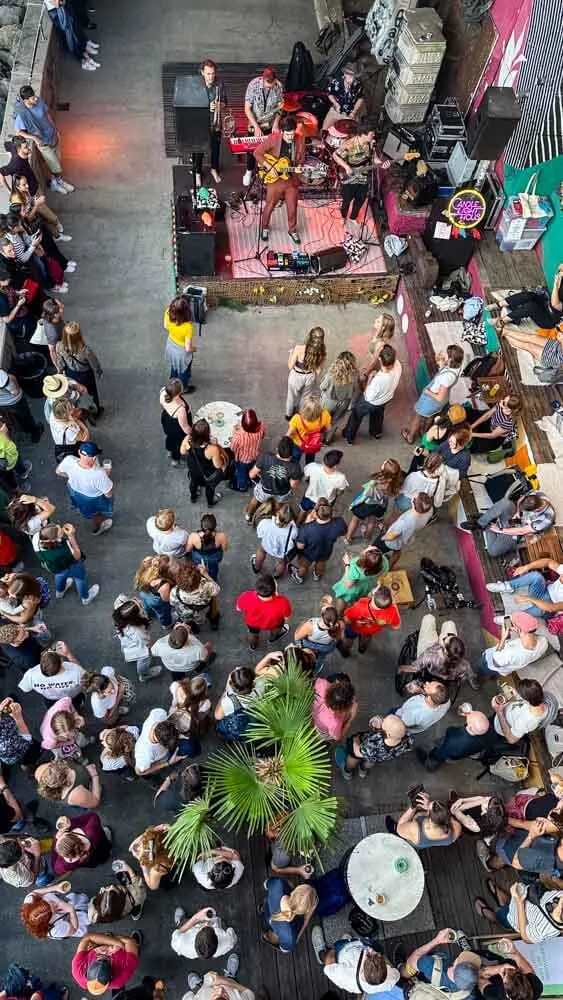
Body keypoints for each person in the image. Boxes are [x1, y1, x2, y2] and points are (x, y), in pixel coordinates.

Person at [254, 113, 305, 245]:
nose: (290, 137)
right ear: (282, 132)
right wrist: (269, 167)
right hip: (275, 179)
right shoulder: (274, 138)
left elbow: (301, 159)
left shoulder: (299, 139)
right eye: (288, 135)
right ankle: (264, 227)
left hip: (290, 180)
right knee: (270, 205)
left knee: (293, 206)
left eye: (292, 134)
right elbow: (257, 153)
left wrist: (299, 167)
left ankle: (292, 230)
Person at [13, 86, 74, 194]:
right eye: (32, 98)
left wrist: (55, 129)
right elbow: (18, 132)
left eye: (34, 96)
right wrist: (34, 138)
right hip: (43, 143)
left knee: (57, 161)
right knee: (56, 166)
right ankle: (56, 183)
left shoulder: (39, 102)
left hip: (53, 135)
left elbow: (47, 115)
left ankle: (56, 182)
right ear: (26, 100)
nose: (35, 99)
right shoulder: (22, 115)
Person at [463, 491, 554, 560]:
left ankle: (489, 523)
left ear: (537, 509)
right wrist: (518, 511)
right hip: (516, 520)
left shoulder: (546, 519)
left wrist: (500, 530)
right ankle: (481, 523)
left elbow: (521, 531)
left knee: (493, 551)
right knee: (506, 503)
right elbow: (520, 500)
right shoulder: (537, 494)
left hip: (522, 533)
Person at [402, 344, 465, 444]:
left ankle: (410, 436)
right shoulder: (458, 367)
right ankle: (424, 431)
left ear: (451, 360)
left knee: (418, 415)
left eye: (448, 356)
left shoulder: (447, 377)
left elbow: (439, 397)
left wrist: (427, 392)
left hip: (432, 399)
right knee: (430, 415)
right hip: (442, 401)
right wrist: (442, 365)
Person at [312, 928, 401, 997]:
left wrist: (334, 951)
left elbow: (328, 966)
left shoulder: (345, 974)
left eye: (370, 956)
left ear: (362, 972)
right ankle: (349, 943)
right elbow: (395, 971)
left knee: (330, 955)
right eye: (378, 956)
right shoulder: (390, 978)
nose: (374, 952)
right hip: (355, 951)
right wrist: (383, 958)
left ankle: (321, 953)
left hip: (342, 956)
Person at [397, 612, 474, 691]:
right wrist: (471, 680)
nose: (446, 635)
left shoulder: (428, 656)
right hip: (445, 674)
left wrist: (402, 668)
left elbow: (415, 668)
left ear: (444, 650)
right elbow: (467, 675)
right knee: (450, 624)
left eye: (444, 639)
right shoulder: (465, 665)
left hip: (430, 652)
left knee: (428, 618)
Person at [332, 125, 386, 235]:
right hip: (350, 178)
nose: (374, 136)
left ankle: (353, 217)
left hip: (364, 176)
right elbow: (335, 155)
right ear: (364, 134)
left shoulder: (371, 143)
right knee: (346, 200)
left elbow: (373, 157)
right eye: (371, 134)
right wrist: (346, 167)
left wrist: (380, 163)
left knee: (360, 199)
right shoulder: (349, 144)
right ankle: (343, 216)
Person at [343, 344, 402, 441]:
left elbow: (367, 396)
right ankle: (376, 432)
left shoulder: (378, 380)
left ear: (380, 359)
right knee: (378, 414)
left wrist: (369, 379)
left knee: (356, 415)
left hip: (371, 402)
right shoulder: (398, 365)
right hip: (386, 398)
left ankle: (349, 435)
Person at [32, 521, 99, 605]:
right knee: (79, 579)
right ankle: (85, 597)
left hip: (54, 567)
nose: (62, 531)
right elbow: (77, 555)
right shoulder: (65, 546)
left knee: (59, 576)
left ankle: (60, 591)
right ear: (54, 540)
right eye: (60, 532)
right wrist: (71, 536)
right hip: (71, 565)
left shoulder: (36, 538)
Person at [476, 880, 563, 942]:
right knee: (511, 900)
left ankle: (494, 916)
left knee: (503, 917)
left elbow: (526, 937)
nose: (559, 898)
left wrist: (520, 902)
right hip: (526, 897)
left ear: (559, 912)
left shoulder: (544, 929)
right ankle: (504, 902)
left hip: (515, 917)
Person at [403, 930, 482, 997]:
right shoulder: (468, 995)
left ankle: (400, 968)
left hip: (419, 983)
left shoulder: (429, 965)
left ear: (455, 965)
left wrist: (437, 940)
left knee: (408, 968)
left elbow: (412, 960)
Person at [56, 442, 113, 535]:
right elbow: (108, 494)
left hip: (73, 490)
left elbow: (58, 471)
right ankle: (98, 527)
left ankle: (77, 507)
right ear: (94, 458)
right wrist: (107, 475)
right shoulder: (99, 474)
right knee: (96, 513)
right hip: (92, 499)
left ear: (79, 452)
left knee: (78, 504)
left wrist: (71, 476)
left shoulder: (69, 460)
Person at [335, 713, 412, 780]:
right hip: (380, 757)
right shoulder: (407, 739)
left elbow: (359, 752)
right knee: (370, 761)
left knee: (354, 756)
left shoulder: (374, 743)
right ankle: (363, 770)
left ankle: (347, 772)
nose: (382, 721)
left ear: (388, 734)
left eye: (384, 723)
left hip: (364, 749)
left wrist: (355, 740)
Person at [243, 66, 284, 185]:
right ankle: (249, 171)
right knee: (251, 150)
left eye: (271, 84)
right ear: (263, 78)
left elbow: (280, 108)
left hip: (270, 124)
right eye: (267, 84)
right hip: (255, 122)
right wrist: (256, 126)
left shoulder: (278, 87)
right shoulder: (253, 85)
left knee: (268, 150)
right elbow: (247, 109)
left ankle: (265, 170)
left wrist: (276, 124)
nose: (269, 86)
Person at [345, 458, 403, 544]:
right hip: (379, 505)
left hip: (367, 504)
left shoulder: (377, 481)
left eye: (384, 463)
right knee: (372, 520)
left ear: (384, 470)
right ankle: (367, 537)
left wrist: (354, 504)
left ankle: (348, 538)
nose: (383, 463)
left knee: (355, 519)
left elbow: (364, 495)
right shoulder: (394, 483)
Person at [245, 436, 303, 520]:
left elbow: (251, 475)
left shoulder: (265, 457)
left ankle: (248, 515)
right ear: (292, 453)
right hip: (282, 492)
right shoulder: (295, 467)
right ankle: (275, 518)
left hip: (265, 488)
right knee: (278, 505)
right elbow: (293, 485)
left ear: (277, 449)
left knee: (256, 499)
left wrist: (261, 476)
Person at [289, 499, 347, 583]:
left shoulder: (306, 529)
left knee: (304, 566)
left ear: (316, 513)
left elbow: (300, 546)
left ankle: (299, 577)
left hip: (308, 553)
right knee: (321, 564)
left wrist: (307, 522)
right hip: (326, 551)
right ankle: (317, 575)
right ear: (330, 513)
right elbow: (343, 532)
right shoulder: (339, 523)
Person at [476, 612, 548, 677]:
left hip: (491, 664)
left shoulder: (510, 653)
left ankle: (477, 675)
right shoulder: (544, 642)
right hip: (505, 670)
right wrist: (520, 631)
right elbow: (528, 635)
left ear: (519, 629)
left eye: (513, 623)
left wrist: (503, 638)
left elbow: (495, 662)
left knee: (480, 669)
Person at [487, 557, 563, 618]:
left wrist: (528, 598)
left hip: (549, 607)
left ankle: (512, 618)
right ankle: (508, 586)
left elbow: (551, 608)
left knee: (541, 610)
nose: (561, 575)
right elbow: (548, 562)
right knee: (537, 576)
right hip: (543, 591)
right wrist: (527, 567)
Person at [54, 321, 103, 416]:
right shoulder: (85, 350)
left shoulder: (59, 346)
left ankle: (81, 412)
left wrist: (61, 371)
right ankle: (95, 411)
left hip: (70, 373)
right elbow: (94, 363)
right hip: (85, 375)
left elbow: (60, 363)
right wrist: (98, 372)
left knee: (76, 394)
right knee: (92, 392)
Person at [372, 492, 434, 565]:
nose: (414, 494)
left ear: (413, 502)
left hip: (390, 542)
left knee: (375, 550)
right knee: (397, 551)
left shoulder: (405, 521)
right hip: (404, 540)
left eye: (415, 496)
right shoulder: (429, 511)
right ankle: (390, 566)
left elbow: (393, 535)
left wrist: (383, 537)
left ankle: (374, 564)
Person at [71, 931, 141, 996]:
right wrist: (119, 943)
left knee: (90, 944)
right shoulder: (122, 976)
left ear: (87, 971)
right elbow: (130, 942)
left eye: (99, 957)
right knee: (133, 946)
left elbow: (87, 938)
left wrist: (114, 942)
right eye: (107, 958)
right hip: (121, 945)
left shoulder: (77, 970)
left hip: (100, 943)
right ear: (111, 976)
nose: (104, 953)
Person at [418, 709, 491, 771]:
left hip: (451, 753)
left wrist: (435, 755)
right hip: (462, 754)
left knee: (439, 754)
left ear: (470, 727)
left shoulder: (455, 739)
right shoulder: (484, 737)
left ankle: (430, 764)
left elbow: (449, 731)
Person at [194, 59, 228, 186]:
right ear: (202, 72)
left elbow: (225, 103)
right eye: (208, 74)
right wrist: (207, 106)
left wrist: (219, 105)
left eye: (213, 73)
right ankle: (197, 172)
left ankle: (214, 169)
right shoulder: (196, 85)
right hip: (201, 123)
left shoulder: (220, 83)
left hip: (216, 122)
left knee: (216, 148)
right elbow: (192, 105)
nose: (211, 77)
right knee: (199, 150)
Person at [388, 790, 462, 849]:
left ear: (429, 817)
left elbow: (400, 827)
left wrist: (413, 807)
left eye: (429, 808)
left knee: (398, 829)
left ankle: (393, 830)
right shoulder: (457, 827)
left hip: (414, 837)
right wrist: (429, 808)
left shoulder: (415, 829)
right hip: (425, 843)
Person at [340, 584, 401, 655]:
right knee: (365, 639)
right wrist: (395, 605)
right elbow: (396, 626)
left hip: (355, 627)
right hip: (370, 630)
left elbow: (347, 619)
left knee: (348, 637)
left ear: (374, 595)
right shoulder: (392, 612)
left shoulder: (362, 604)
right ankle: (362, 649)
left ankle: (346, 650)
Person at [112, 593, 160, 682]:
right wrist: (156, 646)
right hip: (139, 647)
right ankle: (144, 674)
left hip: (125, 639)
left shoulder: (120, 609)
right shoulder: (137, 631)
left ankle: (130, 658)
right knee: (144, 660)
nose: (139, 601)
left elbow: (121, 597)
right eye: (140, 606)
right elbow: (147, 643)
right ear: (134, 617)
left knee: (126, 648)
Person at [236, 572, 291, 649]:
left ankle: (253, 645)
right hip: (274, 623)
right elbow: (286, 617)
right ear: (274, 590)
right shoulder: (283, 602)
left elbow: (238, 608)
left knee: (252, 633)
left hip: (252, 623)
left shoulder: (246, 596)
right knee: (276, 629)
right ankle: (272, 638)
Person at [261, 879, 317, 951]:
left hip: (267, 909)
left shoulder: (278, 883)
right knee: (275, 937)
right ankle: (268, 937)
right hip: (277, 930)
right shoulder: (289, 936)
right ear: (306, 911)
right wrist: (306, 920)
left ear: (295, 890)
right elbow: (285, 949)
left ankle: (266, 933)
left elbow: (266, 884)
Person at [497, 270, 563, 328]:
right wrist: (560, 272)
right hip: (546, 303)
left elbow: (555, 305)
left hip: (549, 319)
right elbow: (561, 266)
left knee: (531, 307)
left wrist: (556, 283)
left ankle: (504, 320)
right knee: (529, 295)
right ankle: (499, 304)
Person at [20, 884, 90, 939]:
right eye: (51, 909)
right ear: (49, 919)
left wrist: (55, 888)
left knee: (78, 899)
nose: (52, 903)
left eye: (46, 903)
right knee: (89, 915)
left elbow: (35, 892)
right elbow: (74, 929)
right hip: (74, 919)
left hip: (70, 902)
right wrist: (71, 911)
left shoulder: (29, 901)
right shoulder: (55, 930)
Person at [183, 418, 227, 506]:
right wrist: (217, 445)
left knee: (193, 483)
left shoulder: (187, 439)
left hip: (193, 469)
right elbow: (218, 465)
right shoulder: (212, 449)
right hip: (207, 473)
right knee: (209, 488)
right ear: (207, 435)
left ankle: (193, 497)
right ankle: (210, 503)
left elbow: (182, 451)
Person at [46, 0, 100, 71]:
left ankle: (84, 49)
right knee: (70, 34)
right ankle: (83, 60)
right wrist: (61, 2)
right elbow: (56, 3)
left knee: (74, 24)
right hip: (57, 10)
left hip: (61, 7)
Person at [286, 328, 327, 419]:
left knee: (291, 396)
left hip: (296, 376)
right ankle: (301, 413)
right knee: (305, 397)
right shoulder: (322, 353)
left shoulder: (298, 348)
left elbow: (290, 366)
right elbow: (318, 371)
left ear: (310, 337)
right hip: (310, 377)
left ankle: (289, 415)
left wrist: (291, 354)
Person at [89, 859, 146, 923]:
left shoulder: (110, 913)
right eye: (113, 892)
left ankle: (135, 914)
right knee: (137, 907)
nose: (111, 886)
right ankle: (136, 913)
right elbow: (138, 883)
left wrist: (107, 892)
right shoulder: (136, 895)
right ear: (119, 900)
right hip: (133, 898)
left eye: (105, 891)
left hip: (124, 907)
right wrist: (129, 870)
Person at [333, 546, 388, 611]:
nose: (370, 546)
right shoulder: (384, 562)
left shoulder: (356, 567)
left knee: (343, 598)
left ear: (365, 561)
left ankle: (338, 614)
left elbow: (348, 584)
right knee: (357, 598)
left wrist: (347, 564)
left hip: (353, 589)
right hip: (366, 586)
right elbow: (382, 574)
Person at [171, 905, 237, 959]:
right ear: (216, 937)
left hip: (191, 928)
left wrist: (195, 918)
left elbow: (178, 932)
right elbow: (230, 931)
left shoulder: (180, 943)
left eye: (203, 928)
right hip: (217, 926)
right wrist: (221, 924)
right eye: (210, 927)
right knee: (221, 922)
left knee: (182, 924)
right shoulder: (228, 941)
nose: (206, 924)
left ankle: (182, 920)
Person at [320, 351, 360, 441]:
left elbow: (322, 387)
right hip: (344, 403)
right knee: (336, 421)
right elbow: (355, 390)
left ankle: (320, 437)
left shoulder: (331, 374)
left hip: (329, 401)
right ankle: (328, 439)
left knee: (323, 419)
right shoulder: (355, 374)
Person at [299, 450, 349, 521]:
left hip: (310, 496)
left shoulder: (313, 466)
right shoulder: (341, 477)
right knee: (318, 517)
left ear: (324, 459)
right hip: (326, 502)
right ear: (335, 466)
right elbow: (339, 492)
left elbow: (305, 478)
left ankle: (298, 524)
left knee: (303, 511)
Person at [170, 561, 220, 630]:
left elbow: (172, 603)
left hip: (185, 614)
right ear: (199, 578)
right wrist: (205, 574)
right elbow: (217, 589)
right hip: (202, 612)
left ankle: (194, 628)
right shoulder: (206, 586)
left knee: (189, 622)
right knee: (204, 617)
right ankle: (212, 623)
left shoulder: (175, 591)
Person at [134, 708, 185, 776]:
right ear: (161, 744)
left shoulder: (158, 714)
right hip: (159, 761)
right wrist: (167, 763)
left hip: (163, 755)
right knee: (160, 773)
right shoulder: (145, 755)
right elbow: (139, 772)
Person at [294, 600, 343, 670]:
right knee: (320, 659)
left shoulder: (310, 626)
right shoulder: (339, 626)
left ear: (322, 616)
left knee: (305, 659)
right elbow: (337, 639)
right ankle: (316, 669)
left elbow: (297, 638)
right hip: (325, 648)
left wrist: (299, 646)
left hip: (308, 645)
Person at [252, 504, 298, 579]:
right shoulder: (293, 531)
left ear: (277, 513)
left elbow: (260, 535)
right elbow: (294, 538)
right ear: (290, 520)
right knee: (282, 562)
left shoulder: (265, 523)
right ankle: (276, 575)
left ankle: (257, 568)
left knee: (261, 551)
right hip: (282, 552)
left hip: (266, 545)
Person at [0, 369, 44, 442]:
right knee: (25, 417)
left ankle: (21, 430)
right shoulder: (1, 376)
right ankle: (35, 432)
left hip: (2, 404)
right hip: (14, 401)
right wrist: (12, 378)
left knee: (12, 419)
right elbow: (15, 391)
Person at [163, 296, 196, 392]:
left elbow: (165, 326)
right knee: (183, 371)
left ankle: (172, 380)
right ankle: (183, 388)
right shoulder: (188, 327)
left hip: (170, 344)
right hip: (181, 352)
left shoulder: (167, 312)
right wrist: (194, 349)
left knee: (174, 365)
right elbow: (187, 348)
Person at [312, 673, 358, 742]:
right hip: (323, 732)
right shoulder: (335, 723)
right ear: (343, 709)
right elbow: (338, 738)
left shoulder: (322, 684)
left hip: (315, 718)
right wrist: (351, 718)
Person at [230, 409, 266, 492]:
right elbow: (263, 436)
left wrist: (235, 431)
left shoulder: (238, 436)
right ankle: (251, 480)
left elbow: (233, 448)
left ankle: (242, 487)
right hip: (255, 455)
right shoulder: (262, 426)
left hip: (242, 459)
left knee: (241, 473)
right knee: (251, 467)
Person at [0, 697, 41, 770]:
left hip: (12, 740)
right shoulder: (5, 745)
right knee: (32, 752)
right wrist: (18, 717)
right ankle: (30, 765)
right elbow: (27, 739)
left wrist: (1, 709)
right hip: (19, 751)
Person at [287, 396, 331, 464]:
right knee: (310, 459)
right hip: (313, 442)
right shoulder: (324, 414)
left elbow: (288, 434)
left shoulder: (297, 418)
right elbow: (328, 429)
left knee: (295, 458)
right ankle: (309, 470)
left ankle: (295, 470)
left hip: (298, 444)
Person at [134, 555, 175, 627]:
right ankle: (167, 624)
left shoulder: (148, 565)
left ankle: (149, 614)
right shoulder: (164, 585)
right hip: (155, 600)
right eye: (172, 565)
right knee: (164, 611)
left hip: (144, 592)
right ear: (166, 571)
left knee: (147, 606)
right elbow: (166, 600)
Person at [129, 825, 174, 890]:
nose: (138, 847)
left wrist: (143, 866)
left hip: (167, 878)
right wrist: (146, 836)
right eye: (143, 843)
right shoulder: (164, 833)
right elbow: (131, 847)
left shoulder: (157, 869)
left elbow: (152, 887)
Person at [160, 378, 192, 467]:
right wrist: (193, 433)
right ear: (178, 392)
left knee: (170, 438)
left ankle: (169, 450)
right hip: (176, 426)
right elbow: (185, 427)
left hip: (166, 419)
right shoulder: (180, 409)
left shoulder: (163, 391)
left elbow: (163, 405)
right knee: (178, 444)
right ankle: (176, 460)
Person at [187, 513, 229, 581]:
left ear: (201, 526)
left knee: (199, 570)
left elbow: (188, 550)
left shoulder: (193, 536)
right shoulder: (222, 536)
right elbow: (225, 549)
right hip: (214, 558)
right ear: (215, 526)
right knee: (213, 572)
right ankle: (212, 580)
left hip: (199, 558)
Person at [323, 62, 364, 130]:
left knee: (353, 132)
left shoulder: (358, 84)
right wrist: (336, 104)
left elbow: (360, 98)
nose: (352, 79)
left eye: (354, 76)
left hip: (351, 114)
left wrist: (354, 112)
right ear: (345, 74)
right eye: (350, 76)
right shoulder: (336, 82)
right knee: (325, 129)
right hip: (336, 110)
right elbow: (330, 94)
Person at [47, 398, 90, 463]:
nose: (74, 408)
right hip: (72, 450)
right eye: (71, 409)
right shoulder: (71, 429)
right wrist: (86, 429)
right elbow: (84, 438)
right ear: (65, 415)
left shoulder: (52, 415)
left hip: (59, 444)